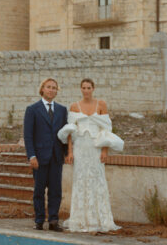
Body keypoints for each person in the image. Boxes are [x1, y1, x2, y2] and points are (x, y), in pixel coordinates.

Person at [58, 78, 123, 233]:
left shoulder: (101, 105)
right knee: (80, 181)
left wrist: (105, 150)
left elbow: (106, 130)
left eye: (89, 87)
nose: (86, 90)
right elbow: (70, 131)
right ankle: (80, 219)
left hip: (95, 148)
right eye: (84, 88)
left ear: (93, 89)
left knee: (97, 180)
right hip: (80, 147)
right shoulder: (74, 106)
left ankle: (100, 219)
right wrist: (70, 152)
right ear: (80, 89)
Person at [23, 77, 68, 232]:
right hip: (39, 158)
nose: (51, 90)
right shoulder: (32, 109)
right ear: (42, 89)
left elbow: (65, 134)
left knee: (56, 190)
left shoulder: (62, 110)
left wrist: (67, 153)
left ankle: (54, 220)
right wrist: (31, 156)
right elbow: (28, 135)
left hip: (56, 157)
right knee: (39, 191)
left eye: (54, 88)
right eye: (48, 87)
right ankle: (39, 220)